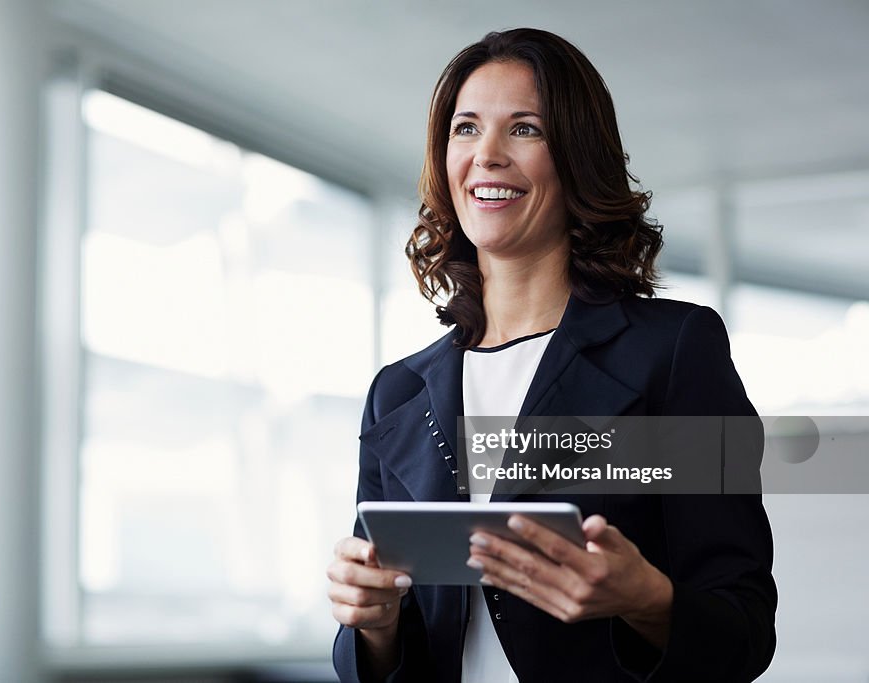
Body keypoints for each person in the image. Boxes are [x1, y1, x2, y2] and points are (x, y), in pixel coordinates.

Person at [327, 28, 776, 683]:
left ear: (576, 157)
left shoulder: (674, 352)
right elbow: (379, 654)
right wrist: (373, 621)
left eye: (525, 130)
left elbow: (744, 632)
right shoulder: (396, 393)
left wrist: (644, 598)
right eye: (466, 128)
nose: (487, 155)